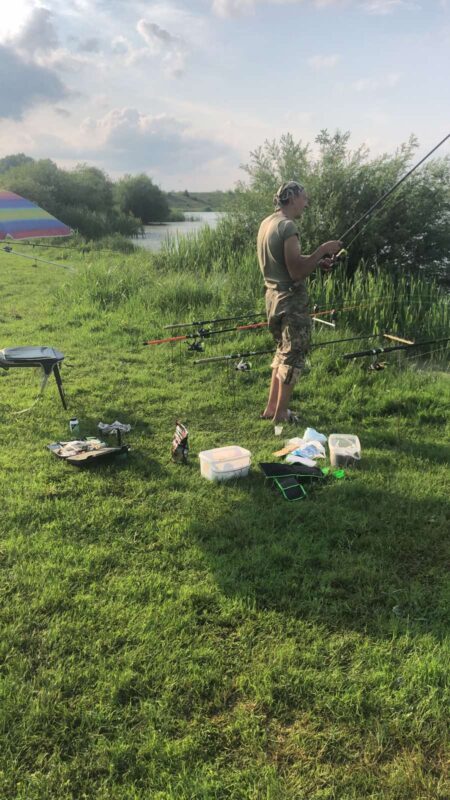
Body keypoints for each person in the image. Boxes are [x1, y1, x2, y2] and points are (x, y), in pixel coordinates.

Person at [257, 180, 342, 423]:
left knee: (282, 352)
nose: (306, 203)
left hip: (272, 297)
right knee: (293, 356)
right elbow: (296, 272)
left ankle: (272, 408)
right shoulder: (288, 226)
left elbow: (287, 262)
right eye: (304, 198)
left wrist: (316, 262)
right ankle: (281, 414)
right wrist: (322, 250)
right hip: (290, 301)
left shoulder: (267, 223)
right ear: (292, 198)